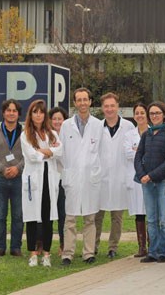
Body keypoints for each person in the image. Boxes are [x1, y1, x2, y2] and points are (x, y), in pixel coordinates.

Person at [60, 88, 103, 265]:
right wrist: (66, 173)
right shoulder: (66, 125)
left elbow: (101, 152)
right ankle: (67, 254)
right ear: (75, 103)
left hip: (90, 178)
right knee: (70, 219)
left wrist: (96, 171)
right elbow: (62, 152)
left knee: (89, 218)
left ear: (90, 102)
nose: (83, 103)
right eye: (79, 100)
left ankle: (88, 252)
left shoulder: (98, 125)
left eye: (86, 99)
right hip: (72, 177)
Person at [20, 100, 62, 267]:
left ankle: (46, 254)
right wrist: (48, 152)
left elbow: (59, 151)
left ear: (45, 115)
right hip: (33, 180)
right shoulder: (25, 135)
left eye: (41, 112)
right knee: (31, 218)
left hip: (48, 180)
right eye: (35, 112)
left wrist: (43, 151)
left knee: (47, 217)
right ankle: (32, 254)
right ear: (31, 115)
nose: (38, 115)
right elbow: (31, 156)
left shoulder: (52, 133)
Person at [95, 93, 136, 259]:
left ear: (118, 106)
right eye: (106, 106)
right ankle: (93, 246)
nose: (109, 109)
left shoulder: (128, 127)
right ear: (102, 108)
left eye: (112, 106)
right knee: (97, 215)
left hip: (120, 176)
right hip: (100, 177)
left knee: (116, 217)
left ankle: (113, 247)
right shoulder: (97, 127)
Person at [0, 99, 24, 258]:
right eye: (8, 110)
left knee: (18, 216)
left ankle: (16, 247)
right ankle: (0, 247)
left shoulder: (25, 132)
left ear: (18, 114)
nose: (11, 113)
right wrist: (2, 168)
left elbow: (30, 153)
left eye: (14, 110)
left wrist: (18, 168)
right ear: (3, 113)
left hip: (18, 179)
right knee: (0, 216)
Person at [134, 101, 165, 263]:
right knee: (151, 218)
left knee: (164, 219)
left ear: (164, 115)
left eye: (157, 113)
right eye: (152, 114)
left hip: (163, 180)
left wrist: (152, 175)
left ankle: (163, 250)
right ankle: (153, 251)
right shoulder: (147, 134)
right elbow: (138, 157)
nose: (154, 116)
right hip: (146, 183)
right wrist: (142, 175)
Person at [123, 103, 148, 258]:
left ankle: (154, 246)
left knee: (152, 213)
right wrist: (142, 152)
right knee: (139, 213)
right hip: (135, 177)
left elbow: (155, 153)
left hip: (150, 176)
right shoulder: (129, 135)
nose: (139, 115)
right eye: (137, 113)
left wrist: (138, 151)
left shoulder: (154, 131)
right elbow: (127, 153)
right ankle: (142, 247)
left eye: (142, 112)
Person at [48, 106, 68, 255]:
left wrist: (55, 151)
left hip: (64, 179)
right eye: (54, 118)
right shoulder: (45, 135)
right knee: (46, 213)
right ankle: (42, 244)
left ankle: (63, 245)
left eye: (59, 118)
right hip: (48, 179)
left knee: (63, 214)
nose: (57, 121)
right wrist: (54, 151)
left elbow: (65, 156)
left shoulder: (69, 135)